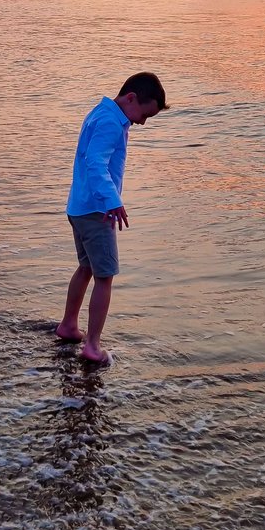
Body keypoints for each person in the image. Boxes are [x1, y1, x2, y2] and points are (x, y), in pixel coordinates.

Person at [56, 72, 168, 365]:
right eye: (143, 115)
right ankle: (92, 345)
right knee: (105, 277)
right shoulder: (110, 122)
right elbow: (96, 162)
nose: (143, 122)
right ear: (131, 98)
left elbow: (90, 160)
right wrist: (113, 201)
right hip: (96, 210)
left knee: (86, 268)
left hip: (79, 206)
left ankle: (69, 325)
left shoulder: (101, 112)